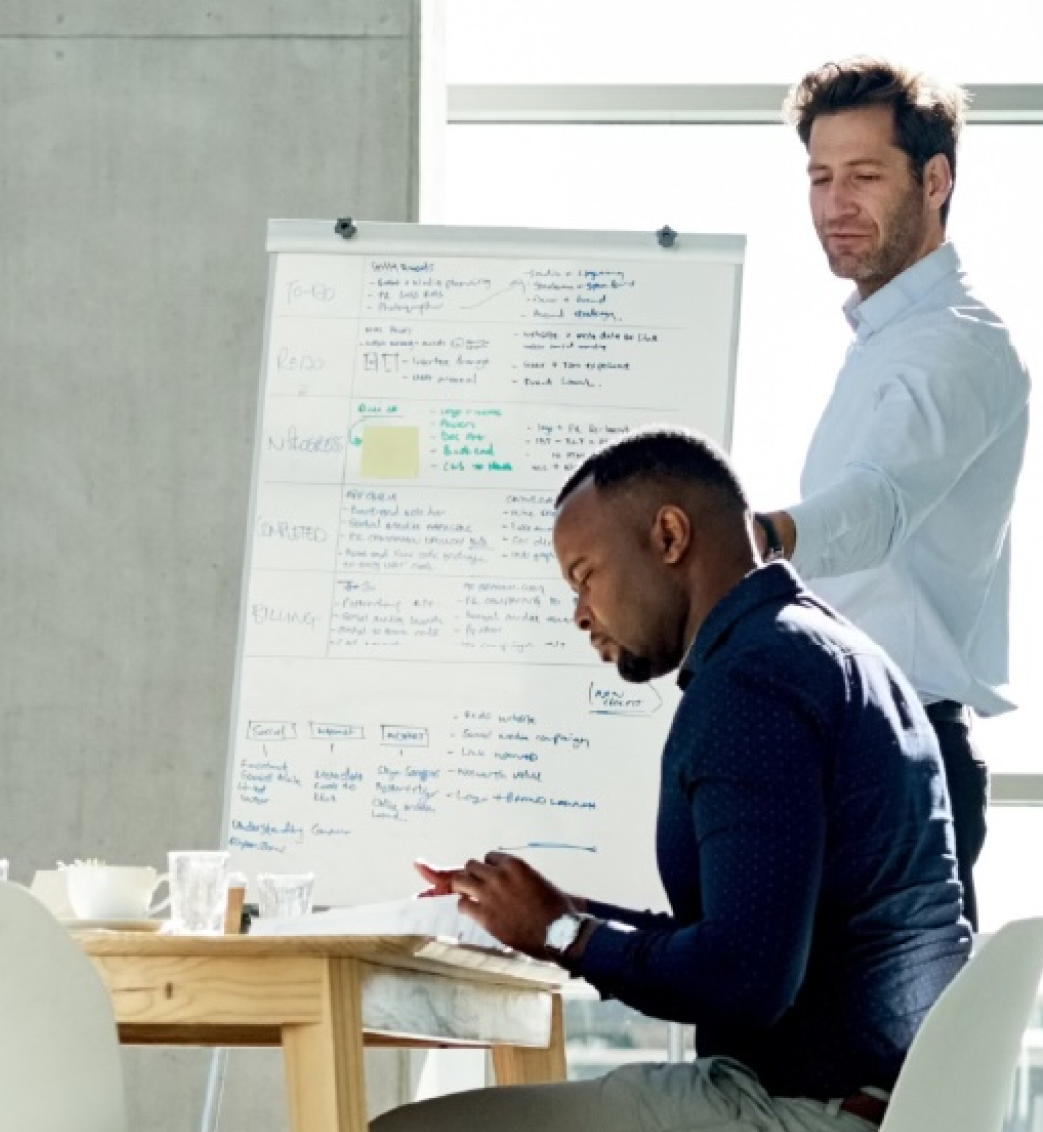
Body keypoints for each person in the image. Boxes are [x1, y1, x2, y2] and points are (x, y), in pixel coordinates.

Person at [374, 429, 971, 1132]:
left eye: (584, 574)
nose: (579, 613)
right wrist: (553, 911)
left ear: (667, 535)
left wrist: (564, 932)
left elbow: (743, 981)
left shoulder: (752, 683)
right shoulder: (835, 651)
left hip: (792, 1111)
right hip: (870, 1100)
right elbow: (740, 936)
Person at [752, 57, 1031, 928]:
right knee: (829, 1053)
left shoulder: (954, 346)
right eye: (821, 178)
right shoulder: (885, 341)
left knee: (873, 1060)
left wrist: (754, 538)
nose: (836, 203)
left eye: (865, 176)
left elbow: (874, 509)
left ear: (936, 179)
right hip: (861, 745)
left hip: (900, 756)